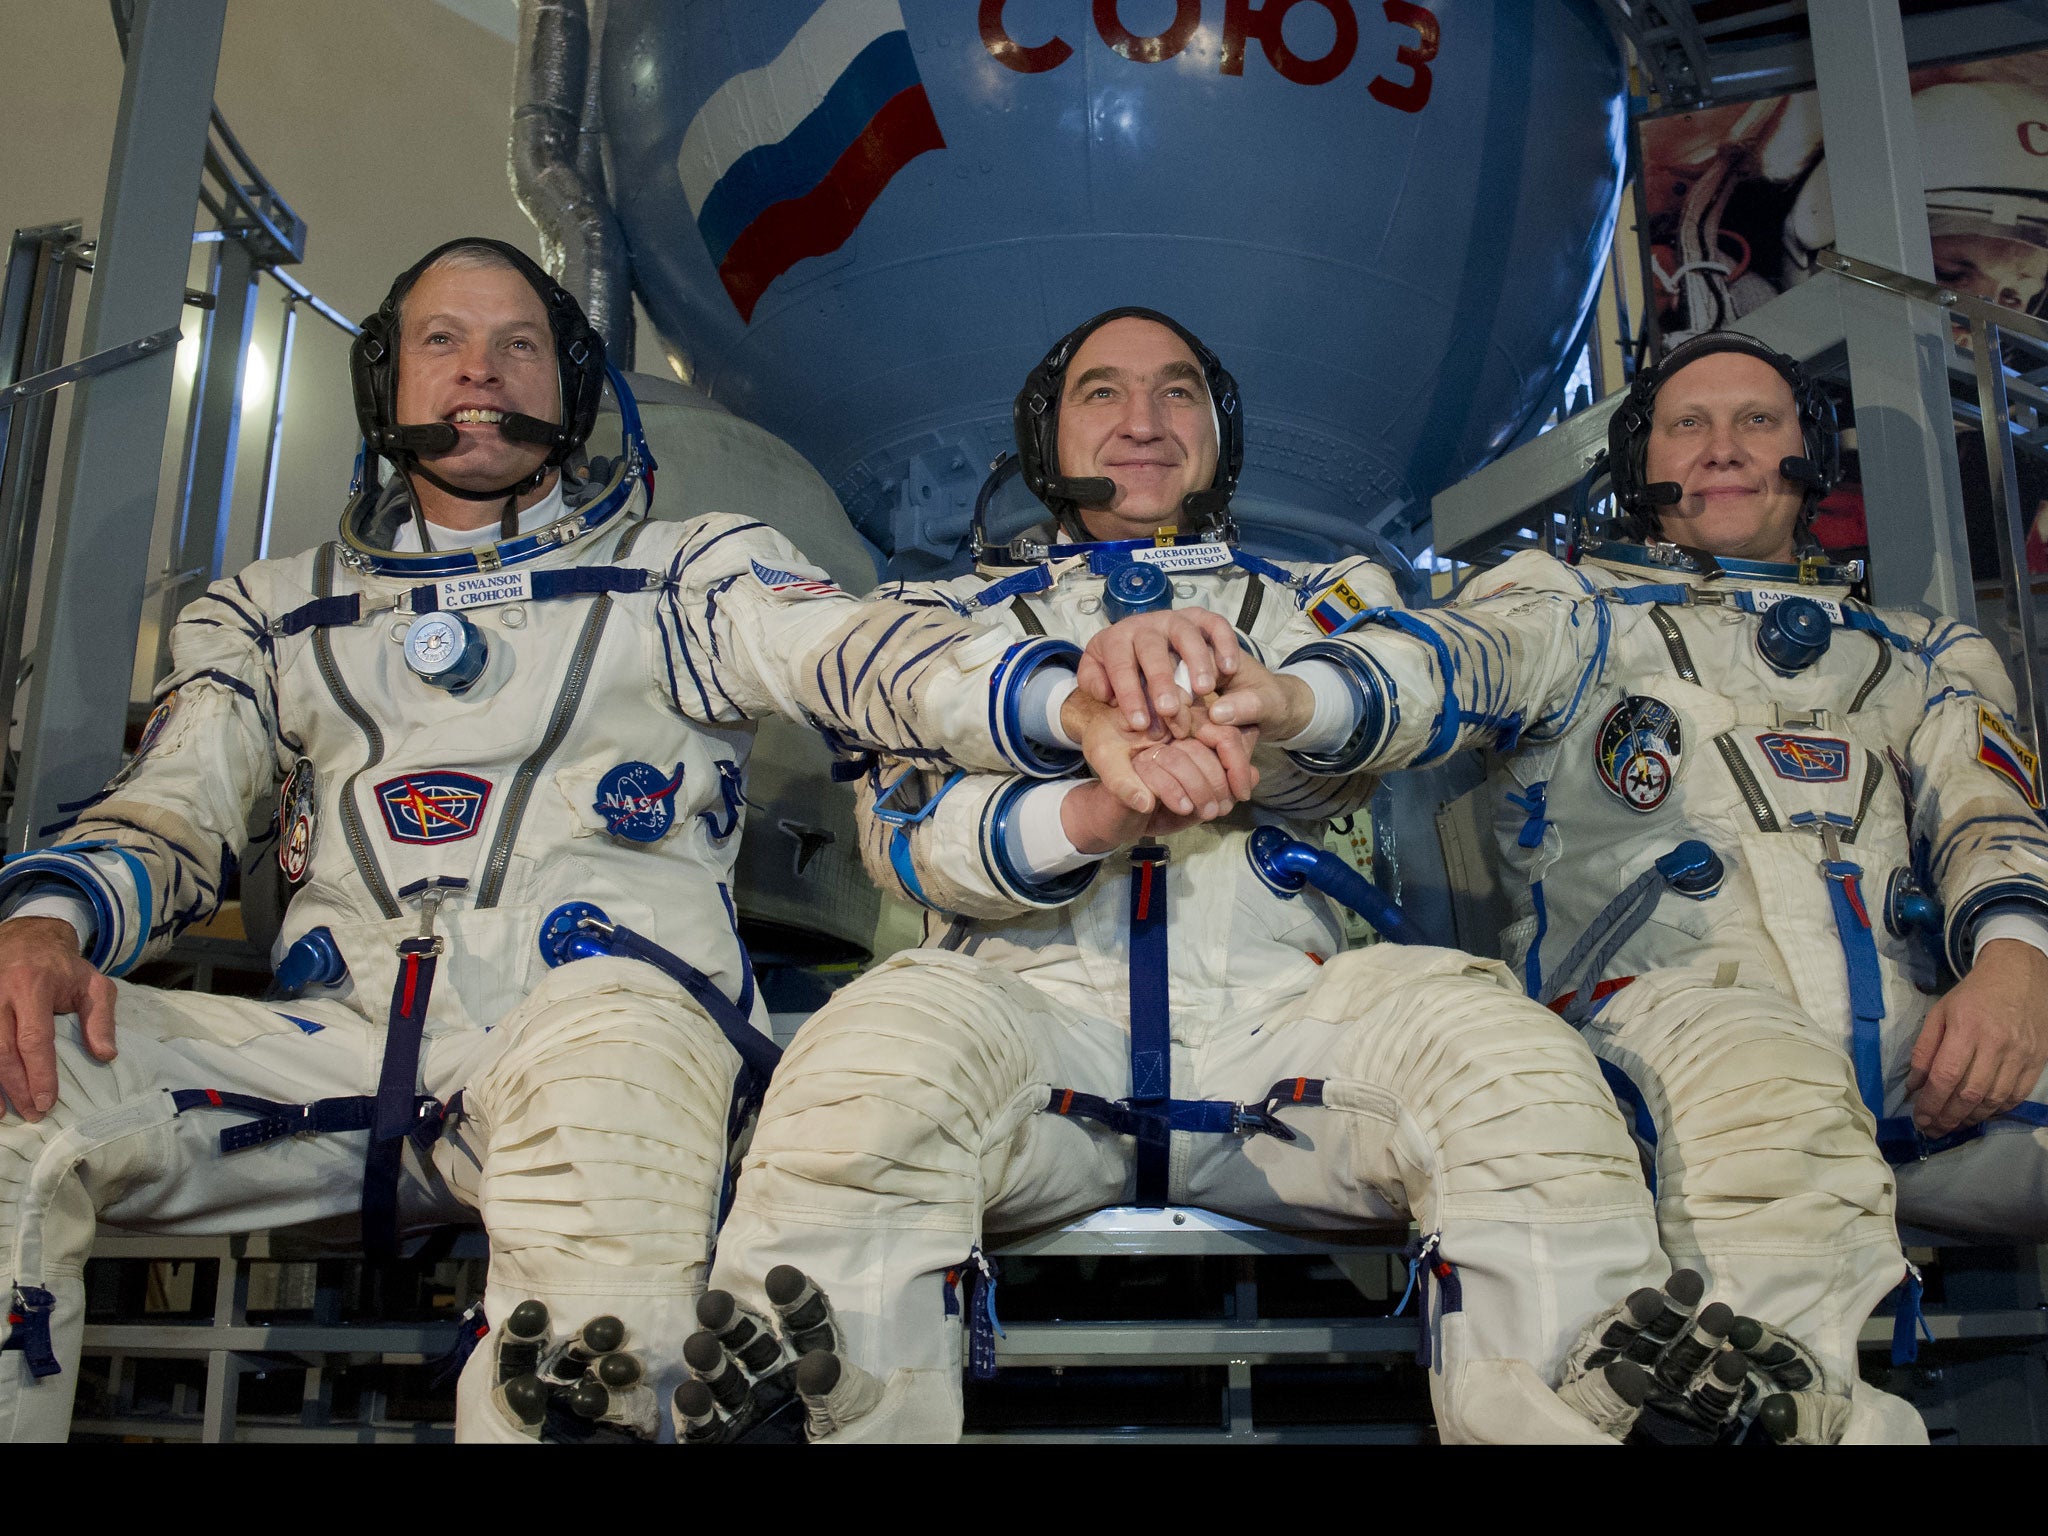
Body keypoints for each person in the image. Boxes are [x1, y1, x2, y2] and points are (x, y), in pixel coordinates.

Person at [0, 240, 1170, 1443]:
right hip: (333, 1048)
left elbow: (859, 655)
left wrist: (1056, 702)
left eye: (518, 345)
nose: (480, 372)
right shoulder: (267, 613)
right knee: (14, 1068)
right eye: (442, 342)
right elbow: (169, 806)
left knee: (607, 1077)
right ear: (383, 383)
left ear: (569, 384)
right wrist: (48, 924)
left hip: (596, 1037)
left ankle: (583, 1405)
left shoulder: (688, 572)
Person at [693, 307, 1704, 1447]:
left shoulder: (1321, 600)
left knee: (1501, 1054)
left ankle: (1590, 1409)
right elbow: (907, 832)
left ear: (1218, 431)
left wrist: (1277, 711)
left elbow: (1384, 721)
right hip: (1024, 1021)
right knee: (870, 1059)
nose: (1142, 420)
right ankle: (822, 1409)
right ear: (1045, 433)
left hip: (1286, 1025)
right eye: (1101, 393)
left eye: (1177, 392)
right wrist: (1096, 808)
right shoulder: (948, 622)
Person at [1180, 330, 2048, 1443]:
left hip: (1927, 1066)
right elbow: (1446, 663)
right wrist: (1303, 702)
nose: (1723, 447)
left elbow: (1993, 821)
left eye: (1757, 421)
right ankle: (1777, 1412)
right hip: (1655, 1035)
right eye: (1688, 425)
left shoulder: (1926, 656)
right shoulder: (1569, 611)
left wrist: (2014, 968)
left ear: (1808, 453)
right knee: (1763, 1076)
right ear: (1641, 463)